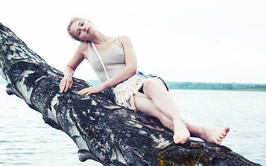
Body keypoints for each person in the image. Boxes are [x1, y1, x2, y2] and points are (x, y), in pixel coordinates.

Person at [59, 17, 230, 145]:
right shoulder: (85, 49)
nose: (83, 29)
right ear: (81, 39)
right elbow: (69, 66)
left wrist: (101, 86)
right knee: (157, 110)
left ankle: (179, 122)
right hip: (120, 90)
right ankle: (202, 131)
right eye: (78, 32)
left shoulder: (122, 39)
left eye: (82, 24)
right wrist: (67, 75)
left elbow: (131, 68)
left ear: (88, 20)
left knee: (151, 83)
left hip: (137, 78)